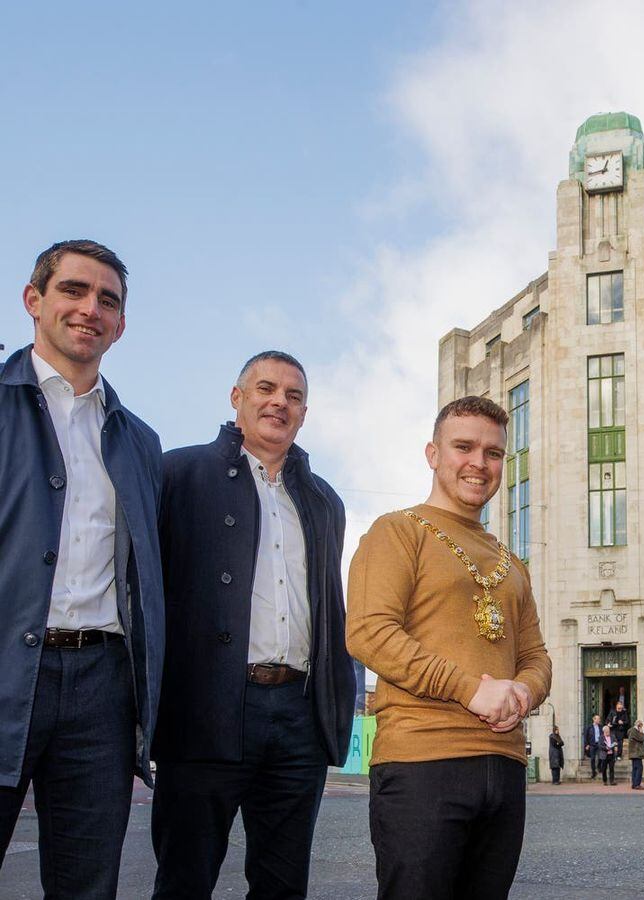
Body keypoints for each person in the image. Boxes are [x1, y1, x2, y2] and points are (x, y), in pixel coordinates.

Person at [150, 351, 356, 898]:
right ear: (236, 398)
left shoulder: (323, 500)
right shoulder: (179, 473)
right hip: (205, 709)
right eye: (265, 388)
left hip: (297, 718)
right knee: (184, 879)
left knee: (283, 884)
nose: (278, 402)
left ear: (304, 413)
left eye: (292, 396)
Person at [0, 241, 164, 899]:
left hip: (101, 687)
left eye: (108, 300)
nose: (89, 308)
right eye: (73, 290)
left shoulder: (139, 441)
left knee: (87, 887)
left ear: (120, 324)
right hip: (8, 668)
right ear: (34, 300)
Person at [346, 396, 552, 900]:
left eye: (494, 452)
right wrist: (468, 690)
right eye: (464, 447)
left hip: (504, 766)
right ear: (433, 453)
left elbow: (537, 656)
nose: (479, 463)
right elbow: (369, 631)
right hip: (421, 761)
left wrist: (524, 693)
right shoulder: (397, 531)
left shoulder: (512, 562)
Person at [584, 713, 604, 779]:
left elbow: (604, 735)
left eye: (599, 719)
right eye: (597, 719)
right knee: (592, 759)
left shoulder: (601, 727)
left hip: (599, 744)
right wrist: (587, 744)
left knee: (600, 757)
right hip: (592, 745)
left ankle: (599, 767)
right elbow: (586, 736)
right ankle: (593, 772)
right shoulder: (589, 727)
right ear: (594, 719)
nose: (599, 720)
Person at [627, 720, 644, 789]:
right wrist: (641, 732)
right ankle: (637, 784)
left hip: (634, 753)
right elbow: (642, 738)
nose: (641, 727)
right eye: (641, 725)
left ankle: (634, 784)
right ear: (639, 725)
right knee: (639, 768)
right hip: (636, 752)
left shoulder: (631, 730)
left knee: (635, 768)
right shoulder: (634, 731)